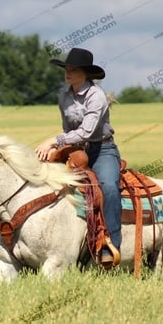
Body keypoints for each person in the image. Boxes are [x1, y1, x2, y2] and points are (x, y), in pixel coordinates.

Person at [34, 47, 122, 268]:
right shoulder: (63, 95)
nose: (68, 73)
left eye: (73, 69)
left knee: (109, 188)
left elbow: (87, 131)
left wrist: (54, 142)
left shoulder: (96, 96)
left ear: (86, 73)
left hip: (101, 150)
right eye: (66, 69)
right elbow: (68, 129)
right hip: (76, 150)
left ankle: (111, 246)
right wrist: (60, 149)